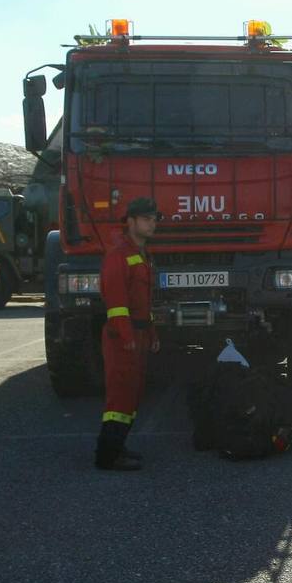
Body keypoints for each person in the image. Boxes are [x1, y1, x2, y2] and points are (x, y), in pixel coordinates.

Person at [95, 197, 163, 471]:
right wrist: (127, 338)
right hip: (122, 339)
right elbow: (117, 304)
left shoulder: (140, 254)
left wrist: (151, 332)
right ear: (131, 222)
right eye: (147, 219)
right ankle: (107, 456)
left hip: (138, 334)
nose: (152, 223)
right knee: (120, 398)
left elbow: (142, 303)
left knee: (131, 396)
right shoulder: (118, 256)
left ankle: (118, 447)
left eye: (154, 219)